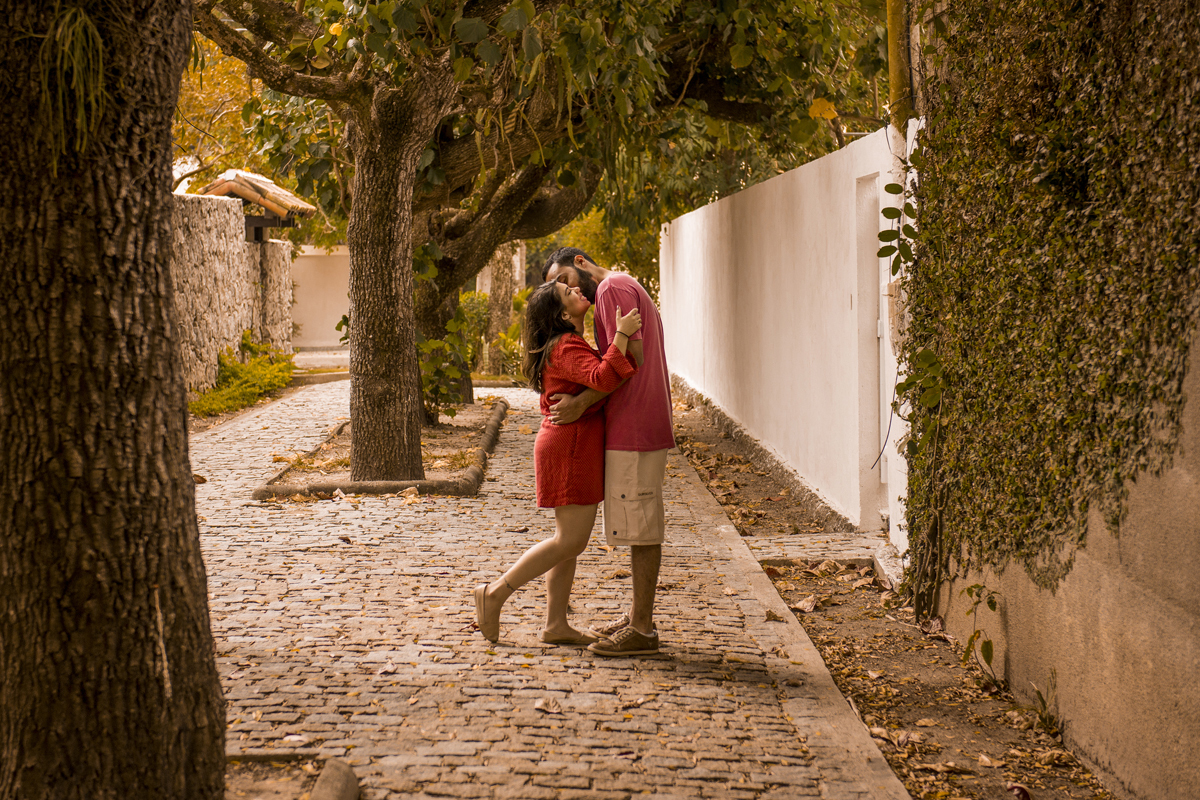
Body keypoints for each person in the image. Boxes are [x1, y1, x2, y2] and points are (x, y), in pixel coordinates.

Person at [473, 280, 642, 645]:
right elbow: (602, 376)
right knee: (569, 540)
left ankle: (555, 624)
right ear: (564, 314)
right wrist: (622, 335)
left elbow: (601, 376)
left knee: (568, 542)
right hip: (571, 446)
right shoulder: (565, 346)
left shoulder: (568, 344)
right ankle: (495, 593)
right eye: (569, 293)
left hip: (571, 442)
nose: (578, 290)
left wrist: (619, 346)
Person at [542, 248, 675, 657]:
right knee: (637, 520)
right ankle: (638, 617)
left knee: (642, 522)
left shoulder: (611, 288)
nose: (565, 288)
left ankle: (642, 630)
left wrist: (581, 403)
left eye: (565, 278)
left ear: (580, 262)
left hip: (635, 423)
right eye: (557, 287)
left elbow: (629, 359)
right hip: (634, 421)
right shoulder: (617, 287)